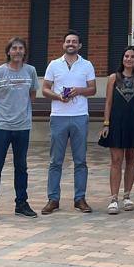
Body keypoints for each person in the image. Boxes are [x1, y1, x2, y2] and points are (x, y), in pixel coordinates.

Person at [0, 37, 39, 222]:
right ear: (8, 51)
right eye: (14, 48)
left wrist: (23, 114)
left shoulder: (30, 71)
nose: (17, 51)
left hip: (23, 128)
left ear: (25, 52)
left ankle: (21, 204)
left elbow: (32, 94)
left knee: (21, 166)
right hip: (2, 128)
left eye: (21, 48)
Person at [41, 31, 96, 215]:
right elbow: (45, 89)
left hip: (80, 116)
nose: (70, 43)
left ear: (80, 45)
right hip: (58, 116)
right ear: (63, 44)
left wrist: (79, 90)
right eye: (68, 41)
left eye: (74, 41)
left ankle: (80, 198)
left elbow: (93, 89)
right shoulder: (53, 65)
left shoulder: (87, 64)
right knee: (56, 160)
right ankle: (53, 199)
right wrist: (58, 96)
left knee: (80, 160)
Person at [100, 45, 134, 214]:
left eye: (132, 57)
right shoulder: (113, 78)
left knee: (131, 160)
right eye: (126, 56)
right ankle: (113, 198)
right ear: (122, 59)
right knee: (116, 160)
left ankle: (127, 195)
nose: (129, 59)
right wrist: (106, 123)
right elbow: (108, 102)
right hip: (116, 123)